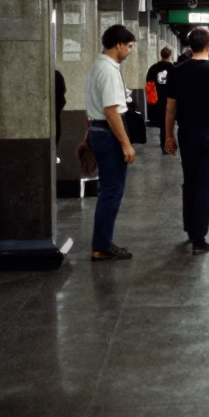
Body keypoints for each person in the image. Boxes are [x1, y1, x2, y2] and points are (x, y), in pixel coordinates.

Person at [164, 27, 209, 254]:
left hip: (187, 133)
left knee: (191, 181)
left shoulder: (177, 71)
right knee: (207, 186)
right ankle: (199, 239)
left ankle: (189, 226)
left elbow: (170, 109)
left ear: (189, 47)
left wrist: (168, 136)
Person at [86, 24, 138, 261]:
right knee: (112, 191)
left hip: (98, 130)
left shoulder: (98, 67)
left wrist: (86, 137)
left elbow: (94, 111)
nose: (129, 51)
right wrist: (126, 144)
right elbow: (111, 111)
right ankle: (101, 246)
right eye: (128, 46)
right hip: (108, 133)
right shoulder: (108, 71)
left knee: (108, 190)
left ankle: (102, 242)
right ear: (118, 45)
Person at [146, 46, 177, 151]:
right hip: (170, 98)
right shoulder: (174, 68)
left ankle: (164, 142)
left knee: (162, 122)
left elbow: (149, 84)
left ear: (161, 55)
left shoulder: (153, 68)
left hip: (157, 99)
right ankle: (168, 142)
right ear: (170, 55)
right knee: (169, 121)